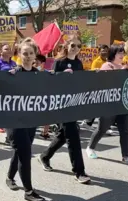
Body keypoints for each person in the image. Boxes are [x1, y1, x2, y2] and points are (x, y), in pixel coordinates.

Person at [37, 35, 91, 184]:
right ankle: (79, 172)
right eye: (73, 45)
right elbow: (51, 82)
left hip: (73, 104)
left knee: (64, 134)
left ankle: (45, 156)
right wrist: (62, 77)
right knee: (73, 136)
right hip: (61, 105)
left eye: (79, 46)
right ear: (66, 46)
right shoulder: (59, 62)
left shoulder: (79, 63)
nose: (75, 48)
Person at [86, 45, 128, 165]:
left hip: (123, 103)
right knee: (102, 128)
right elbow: (106, 82)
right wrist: (121, 72)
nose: (122, 55)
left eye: (122, 53)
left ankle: (126, 155)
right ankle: (90, 147)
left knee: (125, 131)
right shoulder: (107, 66)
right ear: (112, 54)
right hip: (109, 104)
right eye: (119, 53)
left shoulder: (124, 66)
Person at [6, 38, 45, 201]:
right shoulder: (14, 73)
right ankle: (28, 191)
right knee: (25, 154)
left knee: (21, 150)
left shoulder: (38, 74)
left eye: (31, 53)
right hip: (15, 122)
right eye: (25, 53)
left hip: (31, 121)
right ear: (19, 55)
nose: (28, 56)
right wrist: (9, 78)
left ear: (35, 55)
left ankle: (9, 177)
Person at [34, 54, 50, 139]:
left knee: (48, 114)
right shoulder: (32, 73)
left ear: (42, 63)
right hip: (34, 98)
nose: (35, 65)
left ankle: (45, 132)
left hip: (45, 97)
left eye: (37, 63)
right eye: (34, 63)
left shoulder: (48, 73)